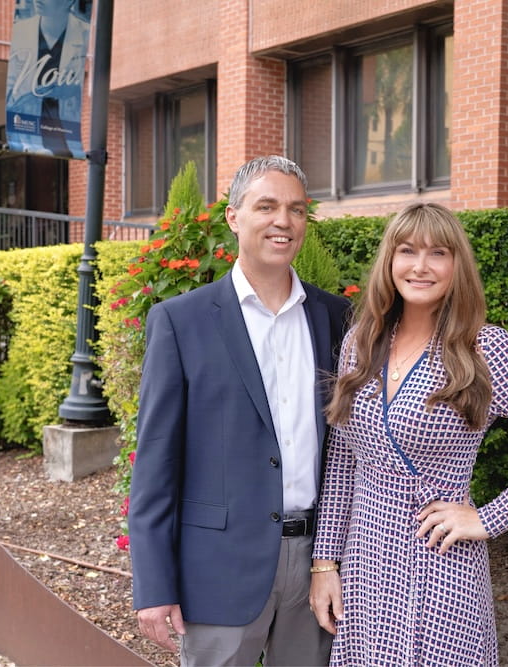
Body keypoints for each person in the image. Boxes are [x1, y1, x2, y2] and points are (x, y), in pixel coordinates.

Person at [309, 202, 508, 665]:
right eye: (407, 251)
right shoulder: (361, 341)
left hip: (441, 562)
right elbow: (344, 460)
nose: (420, 266)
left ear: (457, 265)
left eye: (437, 253)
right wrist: (325, 563)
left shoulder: (486, 348)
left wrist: (487, 518)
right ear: (389, 260)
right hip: (365, 565)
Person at [128, 156, 351, 666]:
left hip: (319, 563)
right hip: (219, 568)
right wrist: (154, 585)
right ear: (234, 217)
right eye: (266, 206)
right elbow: (157, 463)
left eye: (296, 209)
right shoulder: (180, 321)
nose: (283, 221)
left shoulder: (336, 317)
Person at [5, 0, 89, 157]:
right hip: (28, 132)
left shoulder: (86, 35)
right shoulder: (21, 32)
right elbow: (12, 93)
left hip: (66, 132)